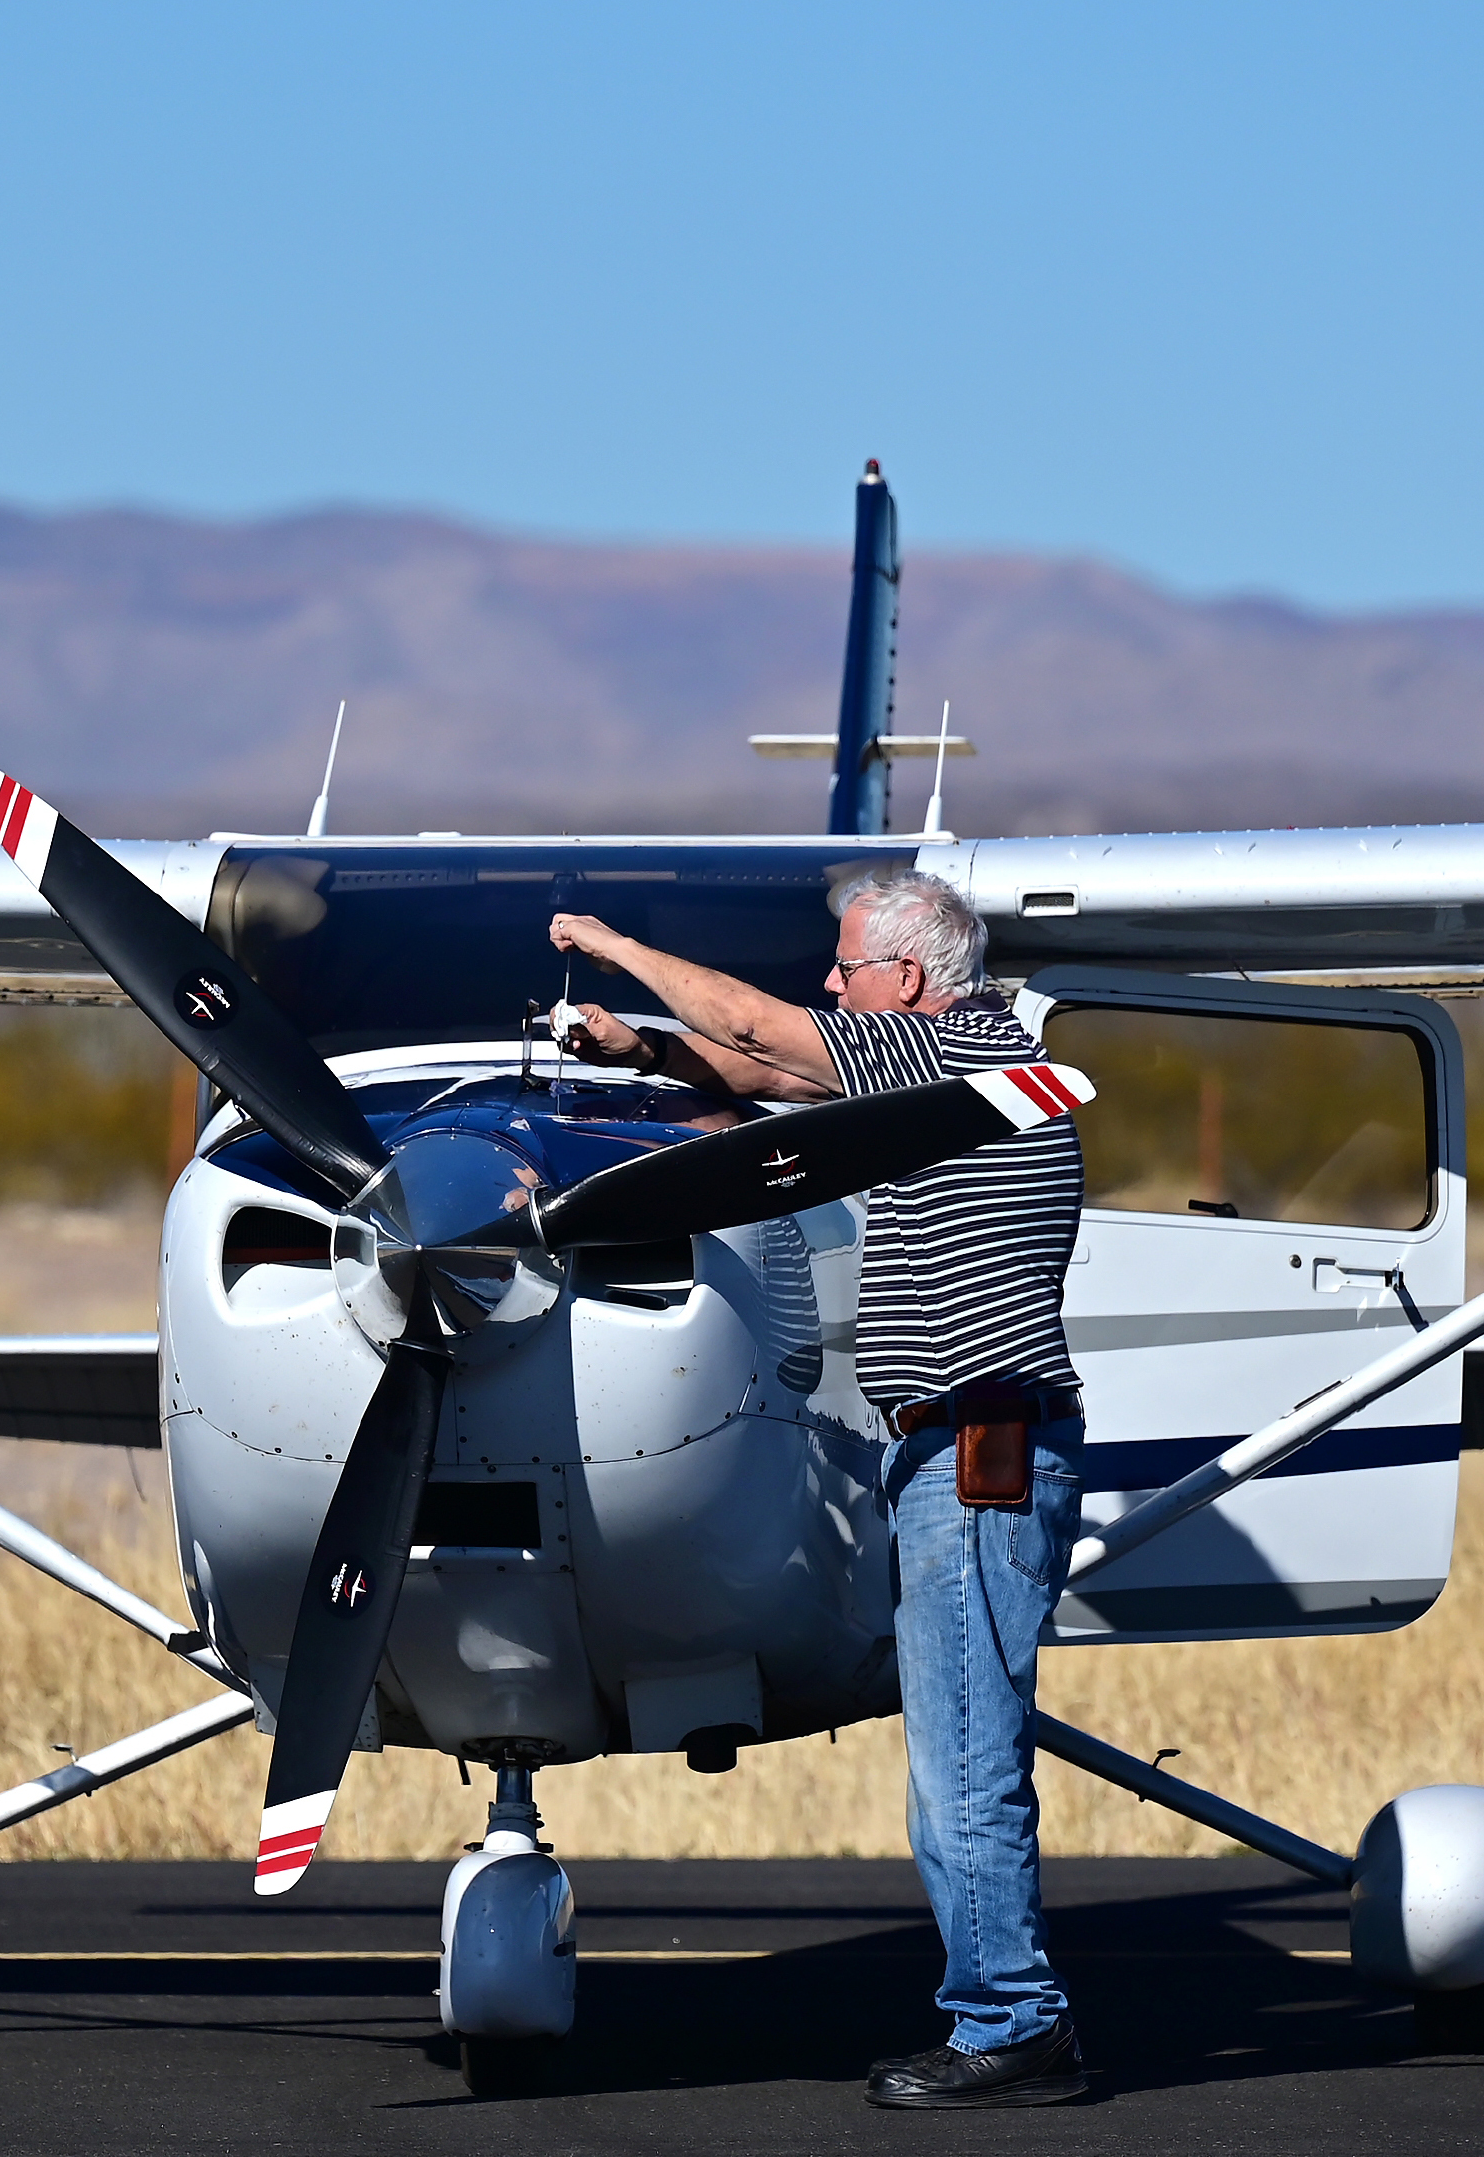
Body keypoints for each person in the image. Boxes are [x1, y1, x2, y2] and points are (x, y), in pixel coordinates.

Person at [548, 870, 1092, 2109]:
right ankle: (1007, 2011)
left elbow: (756, 1031)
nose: (828, 986)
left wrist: (616, 945)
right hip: (945, 1458)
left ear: (905, 981)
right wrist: (644, 1052)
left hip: (977, 1455)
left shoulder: (953, 1053)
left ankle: (1015, 2021)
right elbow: (764, 1079)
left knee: (966, 1756)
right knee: (954, 1751)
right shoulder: (936, 1072)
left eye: (845, 970)